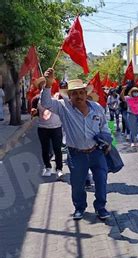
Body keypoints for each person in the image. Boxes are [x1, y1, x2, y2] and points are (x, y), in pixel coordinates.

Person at [39, 68, 112, 221]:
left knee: (101, 181)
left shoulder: (97, 108)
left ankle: (101, 207)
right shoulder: (63, 107)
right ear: (69, 96)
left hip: (97, 152)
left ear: (86, 94)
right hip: (76, 154)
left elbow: (105, 125)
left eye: (81, 92)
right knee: (77, 184)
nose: (79, 96)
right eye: (75, 93)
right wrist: (48, 84)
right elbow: (45, 103)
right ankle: (80, 208)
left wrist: (109, 142)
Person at [31, 94, 64, 180]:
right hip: (43, 128)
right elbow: (34, 112)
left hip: (56, 128)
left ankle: (59, 169)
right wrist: (34, 112)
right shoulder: (36, 99)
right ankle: (47, 167)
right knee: (45, 149)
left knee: (57, 149)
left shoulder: (56, 100)